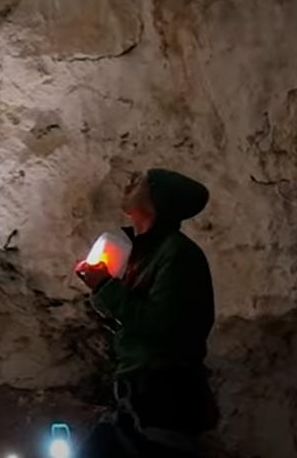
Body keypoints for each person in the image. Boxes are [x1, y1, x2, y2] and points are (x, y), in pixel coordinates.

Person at [75, 168, 220, 456]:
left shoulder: (178, 253)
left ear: (157, 199)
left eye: (140, 181)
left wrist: (105, 286)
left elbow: (162, 326)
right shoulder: (141, 253)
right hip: (136, 396)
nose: (129, 183)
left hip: (163, 398)